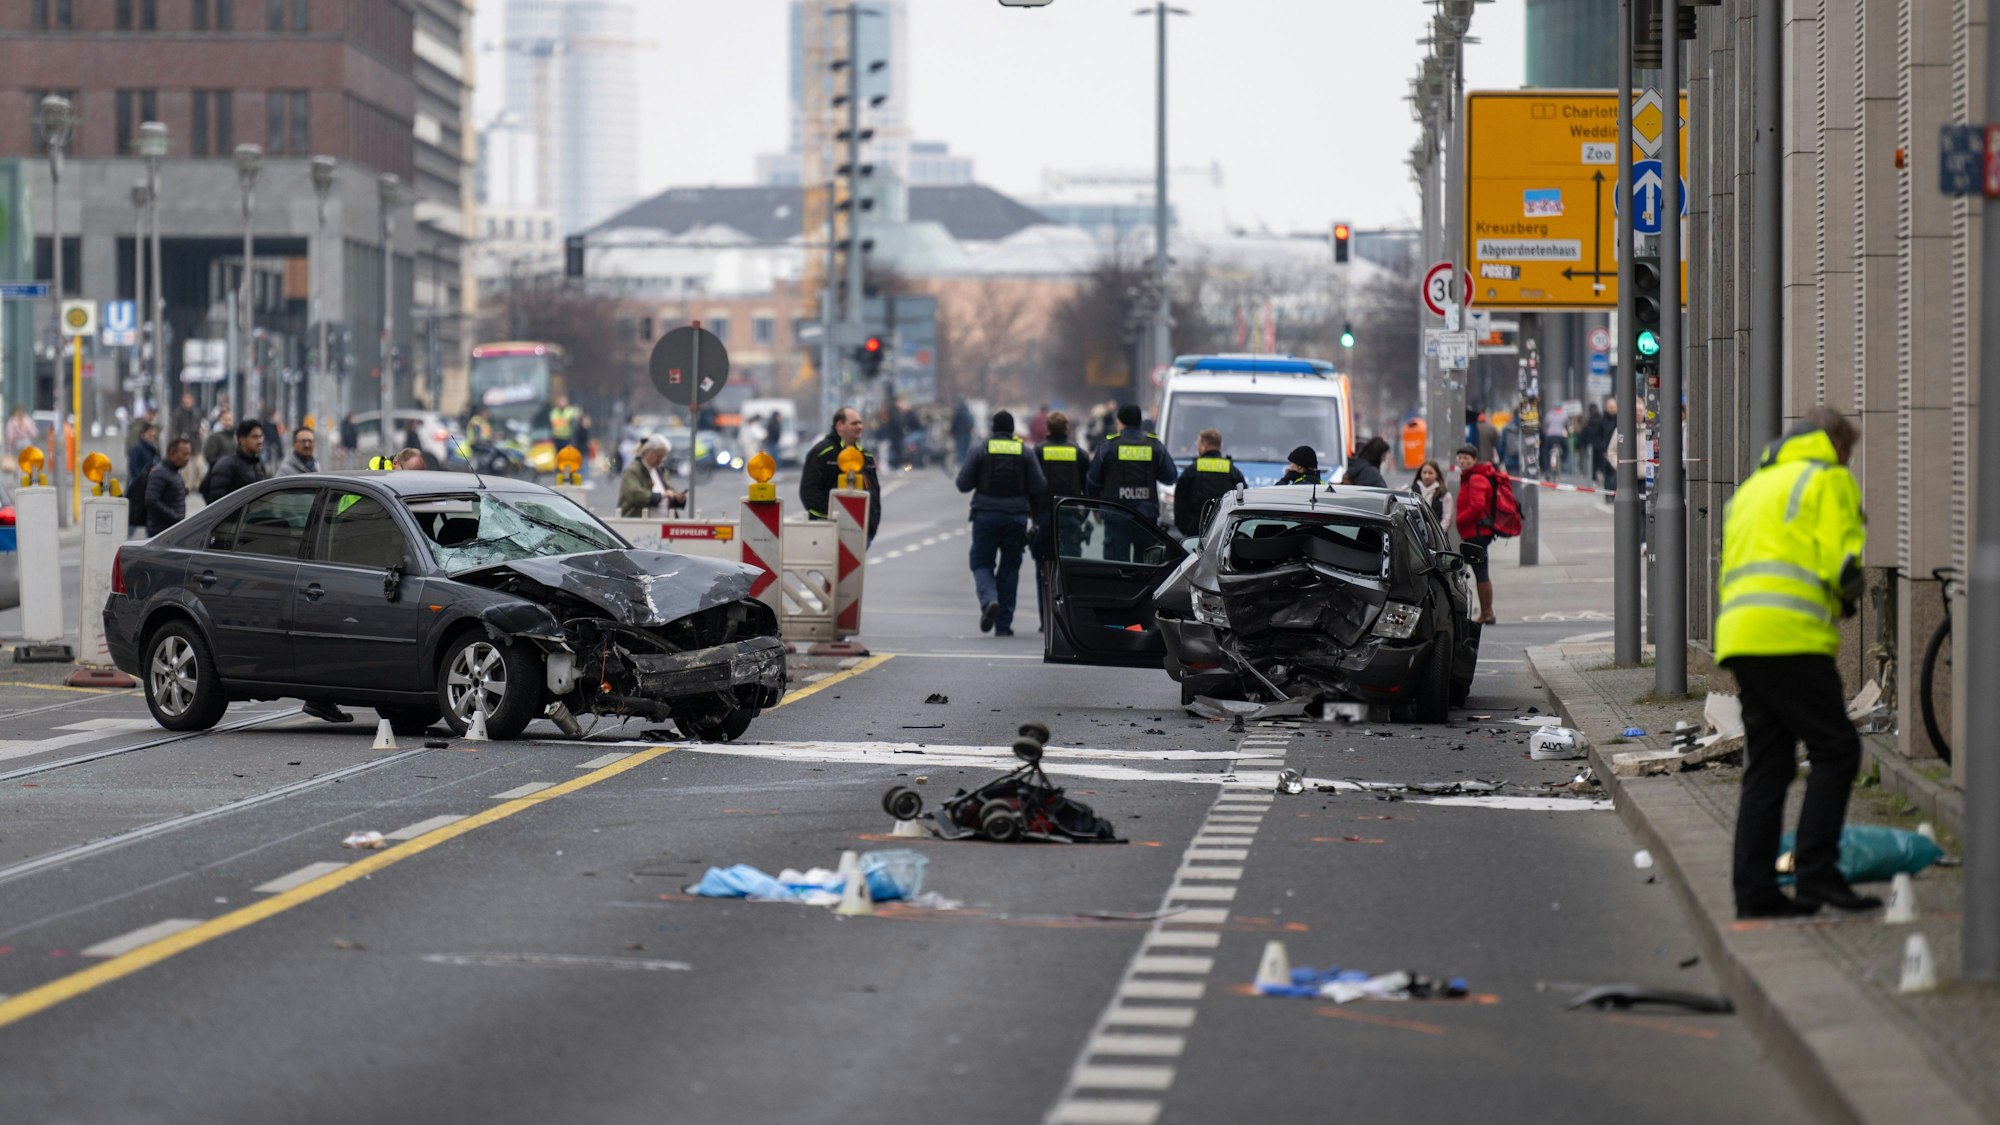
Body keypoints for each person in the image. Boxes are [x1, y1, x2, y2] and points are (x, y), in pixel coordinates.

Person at [1718, 408, 1874, 919]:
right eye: (1847, 451)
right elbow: (1844, 565)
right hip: (1792, 638)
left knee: (1770, 764)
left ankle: (1755, 891)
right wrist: (1849, 598)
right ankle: (1816, 876)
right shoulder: (1828, 480)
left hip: (1743, 638)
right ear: (1834, 443)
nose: (1847, 461)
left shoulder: (1755, 486)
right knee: (1837, 749)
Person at [956, 410, 1046, 636]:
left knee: (981, 562)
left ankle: (989, 600)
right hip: (1015, 518)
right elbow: (1039, 486)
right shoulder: (1025, 453)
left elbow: (963, 484)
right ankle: (1003, 625)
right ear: (1012, 429)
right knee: (1010, 568)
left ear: (993, 428)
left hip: (985, 515)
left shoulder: (980, 450)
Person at [1085, 403, 1177, 561]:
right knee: (1145, 569)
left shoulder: (1108, 447)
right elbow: (1170, 477)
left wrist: (1097, 509)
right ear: (1139, 421)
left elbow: (1092, 482)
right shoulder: (1154, 446)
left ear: (1120, 422)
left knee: (1117, 569)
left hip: (1115, 515)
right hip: (1146, 518)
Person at [1031, 410, 1087, 631]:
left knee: (1043, 568)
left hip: (1044, 516)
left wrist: (1032, 511)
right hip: (1071, 516)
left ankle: (1045, 620)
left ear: (1047, 429)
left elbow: (1032, 484)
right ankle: (1069, 617)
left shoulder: (1038, 452)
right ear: (1066, 428)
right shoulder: (1078, 453)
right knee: (1070, 569)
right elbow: (1087, 486)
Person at [799, 406, 882, 545]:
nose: (860, 426)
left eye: (860, 423)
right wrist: (831, 518)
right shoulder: (822, 452)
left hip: (862, 532)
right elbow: (809, 491)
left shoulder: (865, 456)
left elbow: (874, 492)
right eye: (854, 423)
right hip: (829, 531)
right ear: (839, 425)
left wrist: (872, 525)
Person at [1453, 444, 1503, 625]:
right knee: (1480, 571)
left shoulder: (1475, 479)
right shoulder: (1469, 477)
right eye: (1460, 457)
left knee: (1481, 572)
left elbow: (1476, 507)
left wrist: (1459, 521)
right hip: (1476, 531)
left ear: (1474, 460)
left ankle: (1487, 613)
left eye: (1467, 458)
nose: (1462, 461)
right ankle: (1486, 612)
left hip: (1478, 532)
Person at [1172, 428, 1246, 537]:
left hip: (1195, 530)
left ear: (1204, 445)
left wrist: (1185, 528)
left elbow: (1180, 501)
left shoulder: (1192, 470)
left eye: (1198, 444)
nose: (1198, 448)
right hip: (1223, 532)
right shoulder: (1232, 471)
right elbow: (1242, 499)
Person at [199, 419, 269, 503]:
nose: (259, 441)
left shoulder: (259, 465)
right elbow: (217, 503)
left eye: (261, 436)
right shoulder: (227, 465)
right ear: (242, 440)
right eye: (255, 437)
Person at [618, 435, 687, 517]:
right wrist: (661, 496)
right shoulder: (632, 471)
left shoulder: (661, 471)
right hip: (638, 523)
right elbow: (635, 494)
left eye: (663, 456)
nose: (661, 459)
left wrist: (677, 498)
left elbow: (669, 490)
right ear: (646, 452)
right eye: (658, 456)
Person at [143, 438, 192, 537]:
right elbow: (151, 500)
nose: (187, 458)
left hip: (171, 529)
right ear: (172, 454)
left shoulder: (174, 471)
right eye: (184, 454)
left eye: (189, 454)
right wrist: (175, 517)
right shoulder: (160, 472)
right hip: (160, 531)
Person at [125, 420, 161, 534]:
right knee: (133, 515)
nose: (152, 435)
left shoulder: (154, 449)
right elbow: (134, 470)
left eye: (153, 433)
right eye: (150, 432)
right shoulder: (137, 449)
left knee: (148, 517)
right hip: (138, 487)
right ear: (143, 434)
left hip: (149, 487)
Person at [1409, 460, 1450, 527]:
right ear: (1420, 474)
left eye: (1430, 473)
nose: (1427, 476)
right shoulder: (1412, 491)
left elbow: (1447, 518)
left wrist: (1438, 534)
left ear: (1437, 474)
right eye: (1424, 473)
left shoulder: (1444, 494)